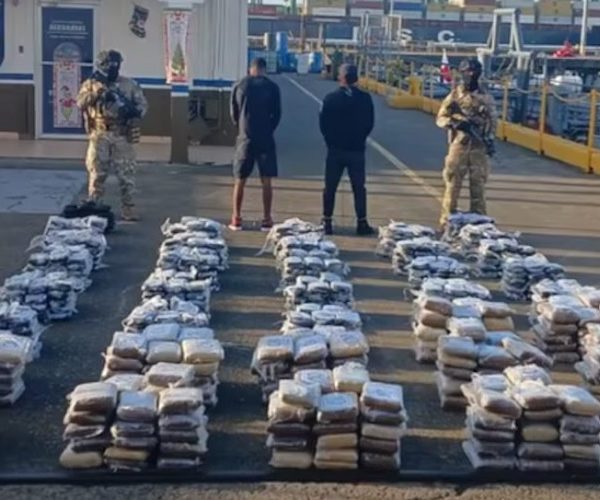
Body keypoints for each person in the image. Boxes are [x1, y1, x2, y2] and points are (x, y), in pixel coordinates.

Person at [77, 50, 148, 221]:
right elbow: (80, 102)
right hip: (99, 133)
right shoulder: (92, 84)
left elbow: (142, 106)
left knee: (126, 174)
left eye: (115, 65)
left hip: (121, 134)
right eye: (108, 65)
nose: (112, 68)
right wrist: (98, 94)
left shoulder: (129, 85)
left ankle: (128, 207)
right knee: (97, 172)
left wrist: (131, 112)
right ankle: (94, 205)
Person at [435, 57, 497, 230]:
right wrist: (455, 123)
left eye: (474, 71)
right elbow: (440, 118)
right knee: (452, 185)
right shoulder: (455, 95)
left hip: (479, 147)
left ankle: (480, 223)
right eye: (468, 72)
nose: (471, 75)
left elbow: (493, 121)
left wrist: (490, 140)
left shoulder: (486, 97)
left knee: (478, 186)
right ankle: (447, 221)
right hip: (459, 145)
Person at [319, 63, 375, 236]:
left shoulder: (330, 98)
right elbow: (369, 123)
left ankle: (327, 221)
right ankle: (362, 222)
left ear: (341, 78)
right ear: (356, 78)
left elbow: (323, 124)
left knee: (330, 187)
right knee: (359, 188)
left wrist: (330, 141)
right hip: (356, 150)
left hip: (335, 149)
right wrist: (360, 138)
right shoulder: (365, 98)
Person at [229, 57, 282, 231]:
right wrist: (268, 129)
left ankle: (236, 219)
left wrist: (242, 129)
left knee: (240, 179)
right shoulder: (272, 87)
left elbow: (233, 114)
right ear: (264, 69)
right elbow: (277, 114)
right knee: (266, 179)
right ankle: (266, 219)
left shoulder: (239, 85)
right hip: (265, 138)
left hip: (245, 138)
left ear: (250, 69)